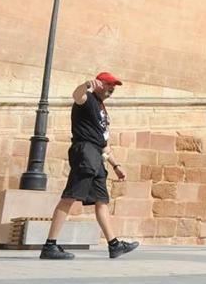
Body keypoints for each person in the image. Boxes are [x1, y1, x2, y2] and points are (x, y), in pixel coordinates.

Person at [40, 73, 139, 260]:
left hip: (97, 156)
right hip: (85, 152)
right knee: (70, 196)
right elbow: (77, 96)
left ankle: (114, 245)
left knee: (101, 201)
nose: (112, 88)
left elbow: (105, 143)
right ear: (99, 84)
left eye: (114, 85)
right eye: (109, 84)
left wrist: (116, 165)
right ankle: (49, 246)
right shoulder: (88, 99)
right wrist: (85, 85)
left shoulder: (102, 109)